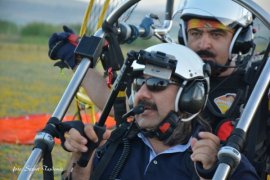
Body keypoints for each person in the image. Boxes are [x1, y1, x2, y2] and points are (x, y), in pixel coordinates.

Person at [48, 0, 269, 178]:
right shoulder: (173, 72)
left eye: (216, 34)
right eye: (195, 33)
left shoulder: (259, 83)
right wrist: (78, 61)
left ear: (239, 39)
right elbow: (120, 103)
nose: (204, 44)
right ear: (184, 35)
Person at [60, 43, 259, 179]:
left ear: (190, 96)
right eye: (139, 83)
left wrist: (212, 175)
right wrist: (83, 155)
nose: (142, 94)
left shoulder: (220, 161)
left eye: (157, 83)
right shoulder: (114, 145)